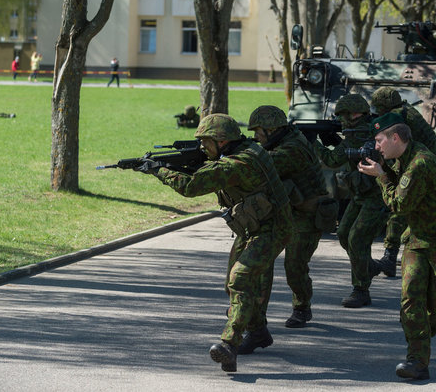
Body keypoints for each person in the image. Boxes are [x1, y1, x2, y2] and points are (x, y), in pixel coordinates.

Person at [138, 113, 293, 373]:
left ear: (222, 141)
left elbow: (190, 187)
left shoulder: (236, 164)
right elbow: (210, 170)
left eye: (206, 141)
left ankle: (228, 345)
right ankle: (258, 333)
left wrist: (158, 170)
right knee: (231, 286)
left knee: (240, 279)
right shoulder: (247, 148)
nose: (202, 147)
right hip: (253, 226)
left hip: (272, 229)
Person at [358, 112, 436, 381]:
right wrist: (382, 168)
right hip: (418, 240)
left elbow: (398, 204)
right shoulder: (403, 158)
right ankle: (417, 360)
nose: (378, 145)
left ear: (395, 138)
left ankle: (419, 340)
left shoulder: (420, 163)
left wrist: (380, 176)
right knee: (411, 298)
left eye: (380, 140)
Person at [246, 105, 335, 333]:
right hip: (285, 212)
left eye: (258, 131)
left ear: (271, 129)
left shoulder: (294, 148)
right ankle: (256, 318)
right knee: (262, 261)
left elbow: (261, 163)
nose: (255, 137)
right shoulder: (281, 142)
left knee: (294, 265)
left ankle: (302, 306)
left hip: (307, 214)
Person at [312, 93, 388, 308]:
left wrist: (312, 143)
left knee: (356, 239)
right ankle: (368, 267)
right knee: (344, 234)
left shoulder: (366, 133)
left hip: (376, 197)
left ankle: (361, 289)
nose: (344, 120)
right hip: (359, 196)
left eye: (347, 115)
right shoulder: (356, 134)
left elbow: (331, 160)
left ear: (357, 114)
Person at [369, 87, 436, 277]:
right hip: (426, 162)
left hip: (420, 166)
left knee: (399, 210)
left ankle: (390, 257)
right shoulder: (406, 111)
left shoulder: (398, 116)